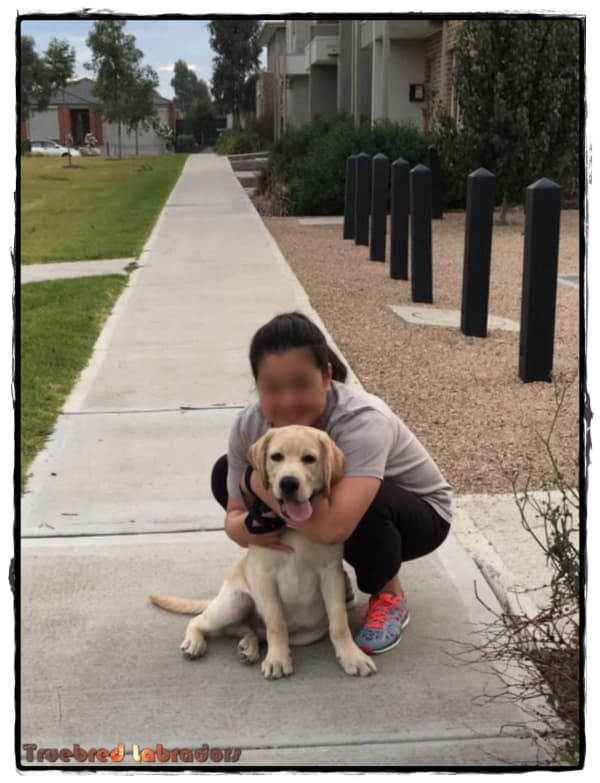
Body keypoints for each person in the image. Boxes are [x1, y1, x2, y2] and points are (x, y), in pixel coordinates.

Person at [210, 311, 452, 655]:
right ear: (257, 385)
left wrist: (254, 479)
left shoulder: (362, 420)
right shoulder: (249, 426)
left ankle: (388, 594)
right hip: (328, 511)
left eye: (301, 384)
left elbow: (333, 530)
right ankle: (332, 583)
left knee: (362, 505)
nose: (288, 401)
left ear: (326, 376)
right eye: (273, 388)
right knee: (225, 472)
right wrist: (250, 530)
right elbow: (234, 519)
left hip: (415, 517)